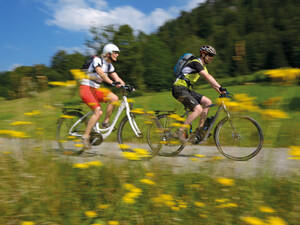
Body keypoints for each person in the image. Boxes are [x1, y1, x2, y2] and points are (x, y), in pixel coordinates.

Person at [172, 45, 227, 141]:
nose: (211, 58)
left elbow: (211, 82)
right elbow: (207, 77)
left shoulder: (203, 67)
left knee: (208, 102)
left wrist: (221, 91)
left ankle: (199, 131)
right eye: (210, 55)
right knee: (198, 109)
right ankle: (180, 131)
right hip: (178, 88)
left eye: (213, 56)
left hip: (186, 90)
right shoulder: (195, 63)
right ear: (203, 54)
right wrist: (220, 87)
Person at [79, 43, 125, 148]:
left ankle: (105, 122)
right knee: (98, 111)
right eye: (115, 53)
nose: (117, 55)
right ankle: (85, 136)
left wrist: (127, 86)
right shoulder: (97, 60)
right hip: (86, 88)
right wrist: (111, 83)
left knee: (114, 98)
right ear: (108, 53)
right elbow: (101, 73)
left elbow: (117, 78)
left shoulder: (109, 65)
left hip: (96, 89)